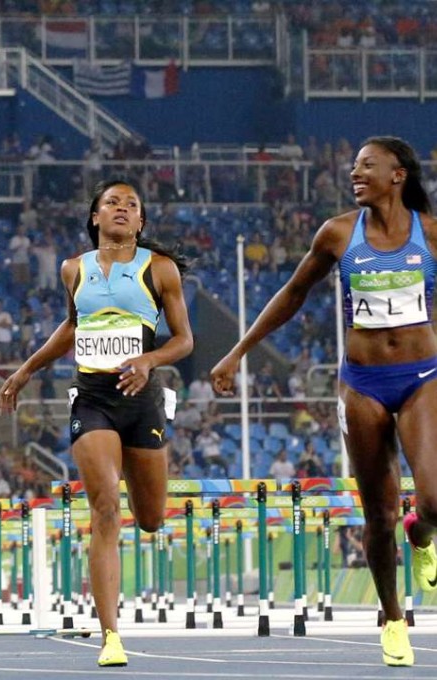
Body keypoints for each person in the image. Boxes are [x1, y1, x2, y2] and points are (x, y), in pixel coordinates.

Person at [210, 136, 437, 668]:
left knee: (433, 503)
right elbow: (291, 294)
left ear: (398, 174)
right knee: (378, 516)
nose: (354, 174)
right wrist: (238, 352)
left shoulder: (430, 234)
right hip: (361, 384)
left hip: (423, 376)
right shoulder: (337, 234)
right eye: (353, 167)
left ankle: (421, 534)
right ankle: (394, 618)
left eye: (367, 167)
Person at [0, 179, 193, 667]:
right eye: (113, 203)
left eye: (132, 205)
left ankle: (133, 479)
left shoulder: (160, 270)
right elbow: (72, 327)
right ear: (95, 218)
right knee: (105, 507)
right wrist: (25, 371)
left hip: (141, 398)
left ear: (141, 222)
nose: (123, 209)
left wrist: (149, 361)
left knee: (149, 519)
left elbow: (184, 340)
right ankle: (111, 635)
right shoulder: (73, 270)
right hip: (93, 400)